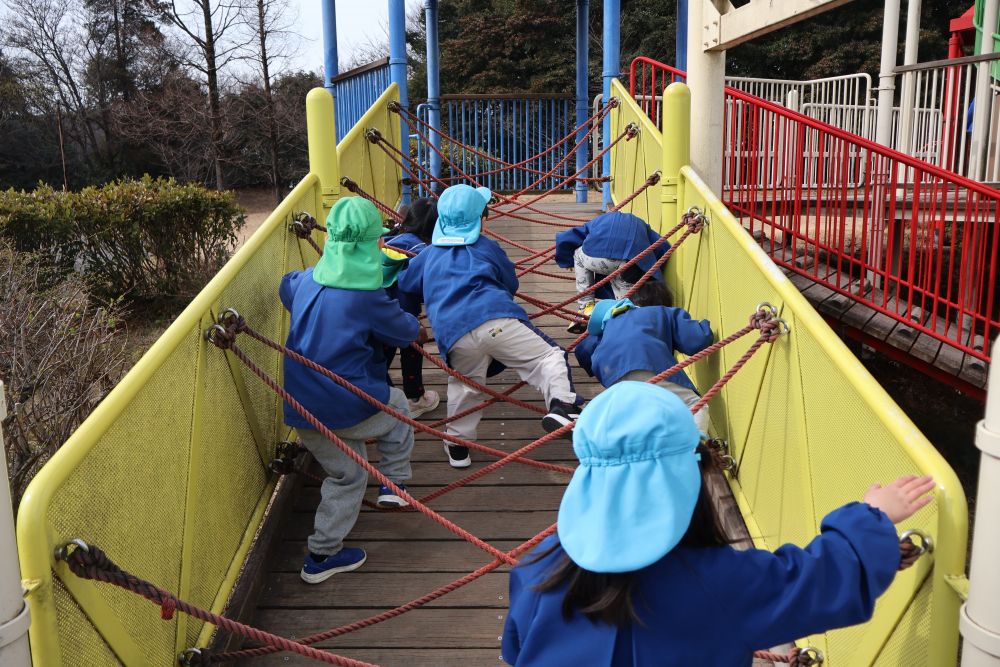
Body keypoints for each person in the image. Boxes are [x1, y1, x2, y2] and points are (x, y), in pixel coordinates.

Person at [501, 382, 935, 666]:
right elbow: (820, 578)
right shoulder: (723, 582)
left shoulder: (536, 570)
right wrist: (872, 516)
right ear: (693, 478)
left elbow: (516, 650)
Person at [280, 196, 422, 584]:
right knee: (396, 410)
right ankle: (395, 482)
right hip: (347, 405)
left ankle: (321, 557)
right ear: (370, 245)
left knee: (348, 475)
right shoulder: (367, 296)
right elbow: (406, 330)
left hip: (301, 410)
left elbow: (285, 285)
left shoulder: (306, 282)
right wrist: (409, 315)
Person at [398, 184, 582, 468]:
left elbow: (407, 284)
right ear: (479, 219)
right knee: (549, 357)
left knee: (466, 385)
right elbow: (510, 282)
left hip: (454, 334)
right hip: (496, 320)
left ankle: (457, 444)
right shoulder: (486, 246)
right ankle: (561, 404)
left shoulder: (428, 255)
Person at [573, 280, 714, 431]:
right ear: (663, 302)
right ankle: (698, 451)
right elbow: (697, 340)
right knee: (694, 406)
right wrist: (705, 324)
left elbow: (583, 350)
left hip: (611, 372)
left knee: (641, 414)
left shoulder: (613, 319)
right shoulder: (663, 312)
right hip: (646, 361)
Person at [554, 211, 671, 333]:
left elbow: (570, 236)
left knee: (578, 254)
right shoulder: (643, 226)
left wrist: (567, 259)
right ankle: (624, 325)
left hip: (600, 260)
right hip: (630, 262)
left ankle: (586, 306)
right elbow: (662, 246)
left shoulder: (597, 222)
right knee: (624, 303)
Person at [381, 198, 441, 418]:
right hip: (403, 313)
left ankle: (382, 397)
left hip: (375, 310)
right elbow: (426, 286)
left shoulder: (387, 240)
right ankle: (414, 399)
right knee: (413, 347)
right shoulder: (423, 251)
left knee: (380, 358)